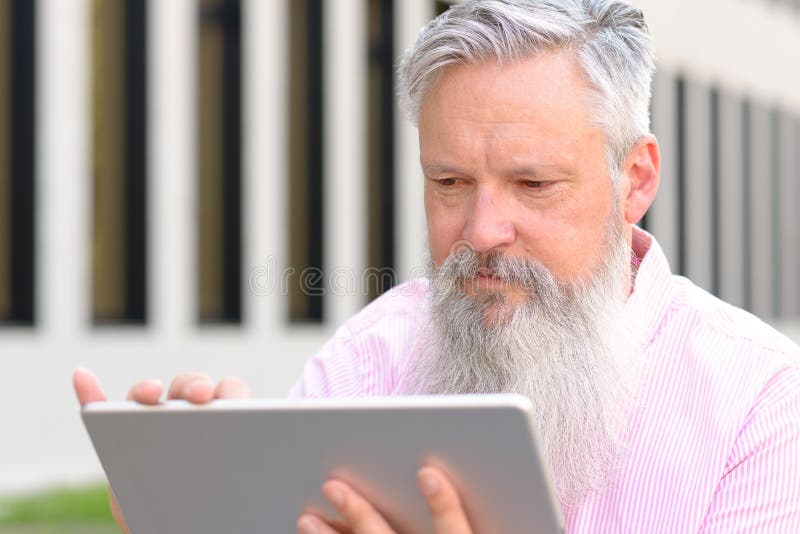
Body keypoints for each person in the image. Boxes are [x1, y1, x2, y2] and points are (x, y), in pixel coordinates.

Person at [73, 0, 800, 532]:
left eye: (533, 185)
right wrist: (219, 513)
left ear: (634, 180)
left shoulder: (758, 403)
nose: (481, 232)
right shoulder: (371, 357)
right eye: (449, 183)